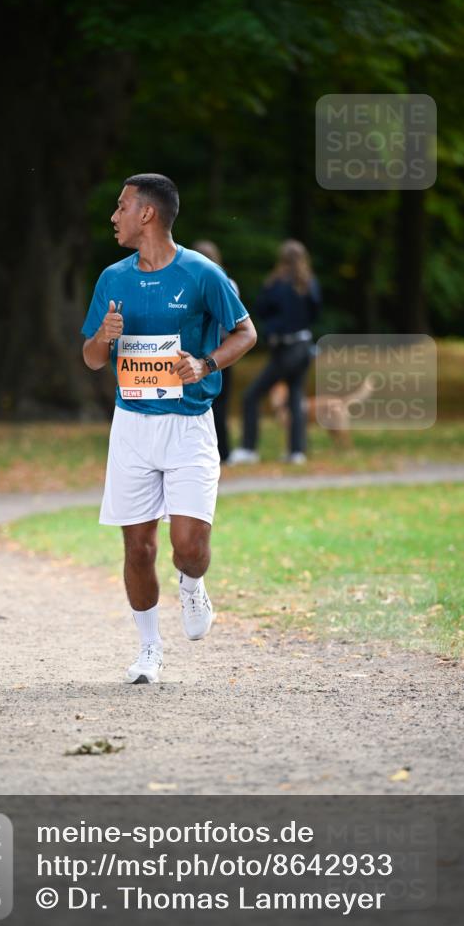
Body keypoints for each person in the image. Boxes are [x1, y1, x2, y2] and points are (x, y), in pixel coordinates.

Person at [82, 174, 256, 683]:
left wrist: (204, 364)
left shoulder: (203, 274)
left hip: (188, 426)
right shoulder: (112, 279)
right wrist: (102, 336)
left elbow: (245, 332)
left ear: (147, 215)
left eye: (121, 207)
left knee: (189, 547)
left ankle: (192, 584)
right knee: (138, 547)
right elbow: (92, 359)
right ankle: (149, 649)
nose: (113, 217)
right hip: (132, 427)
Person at [229, 239, 321, 465]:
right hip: (304, 346)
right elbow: (315, 312)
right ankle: (297, 451)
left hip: (284, 348)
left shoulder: (276, 283)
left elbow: (261, 309)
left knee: (251, 396)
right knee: (296, 396)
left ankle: (249, 448)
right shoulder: (310, 284)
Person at [192, 240, 239, 463]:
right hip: (223, 348)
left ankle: (217, 451)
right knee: (220, 402)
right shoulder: (229, 283)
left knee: (208, 402)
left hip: (209, 349)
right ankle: (223, 451)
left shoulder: (195, 283)